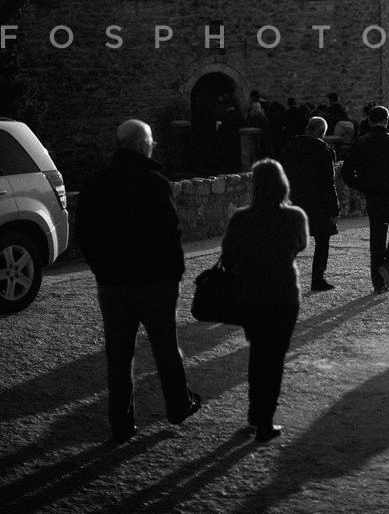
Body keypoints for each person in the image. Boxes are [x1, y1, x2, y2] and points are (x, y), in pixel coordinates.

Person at [76, 119, 200, 443]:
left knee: (118, 355)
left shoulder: (95, 185)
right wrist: (174, 275)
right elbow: (171, 235)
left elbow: (86, 235)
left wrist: (100, 269)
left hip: (113, 283)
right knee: (165, 348)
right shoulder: (155, 184)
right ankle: (178, 405)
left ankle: (121, 422)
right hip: (155, 282)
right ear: (144, 145)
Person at [220, 159, 309, 442]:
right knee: (275, 358)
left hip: (250, 295)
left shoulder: (241, 218)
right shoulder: (295, 216)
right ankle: (265, 420)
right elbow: (300, 246)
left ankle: (255, 412)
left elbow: (228, 255)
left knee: (258, 354)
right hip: (283, 294)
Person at [341, 106, 389, 294]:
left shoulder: (360, 143)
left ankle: (378, 283)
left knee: (377, 238)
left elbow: (346, 172)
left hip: (373, 197)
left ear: (370, 121)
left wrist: (363, 186)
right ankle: (387, 264)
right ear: (386, 120)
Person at [281, 117, 340, 291]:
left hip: (295, 200)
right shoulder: (324, 152)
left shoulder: (290, 147)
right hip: (318, 204)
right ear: (322, 133)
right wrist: (334, 208)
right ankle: (317, 279)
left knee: (294, 241)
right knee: (322, 242)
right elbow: (329, 184)